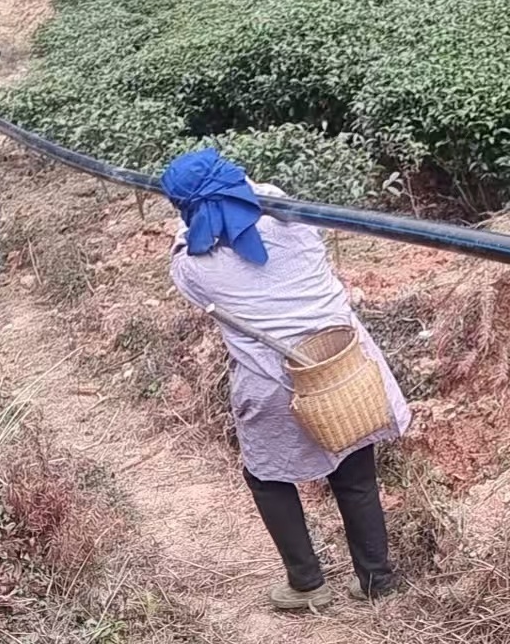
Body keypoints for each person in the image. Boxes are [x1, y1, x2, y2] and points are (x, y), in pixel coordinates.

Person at [162, 148, 411, 612]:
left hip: (275, 380)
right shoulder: (291, 218)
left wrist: (194, 217)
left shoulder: (193, 269)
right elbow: (259, 192)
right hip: (342, 363)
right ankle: (376, 579)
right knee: (354, 471)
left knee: (266, 475)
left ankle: (306, 582)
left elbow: (185, 242)